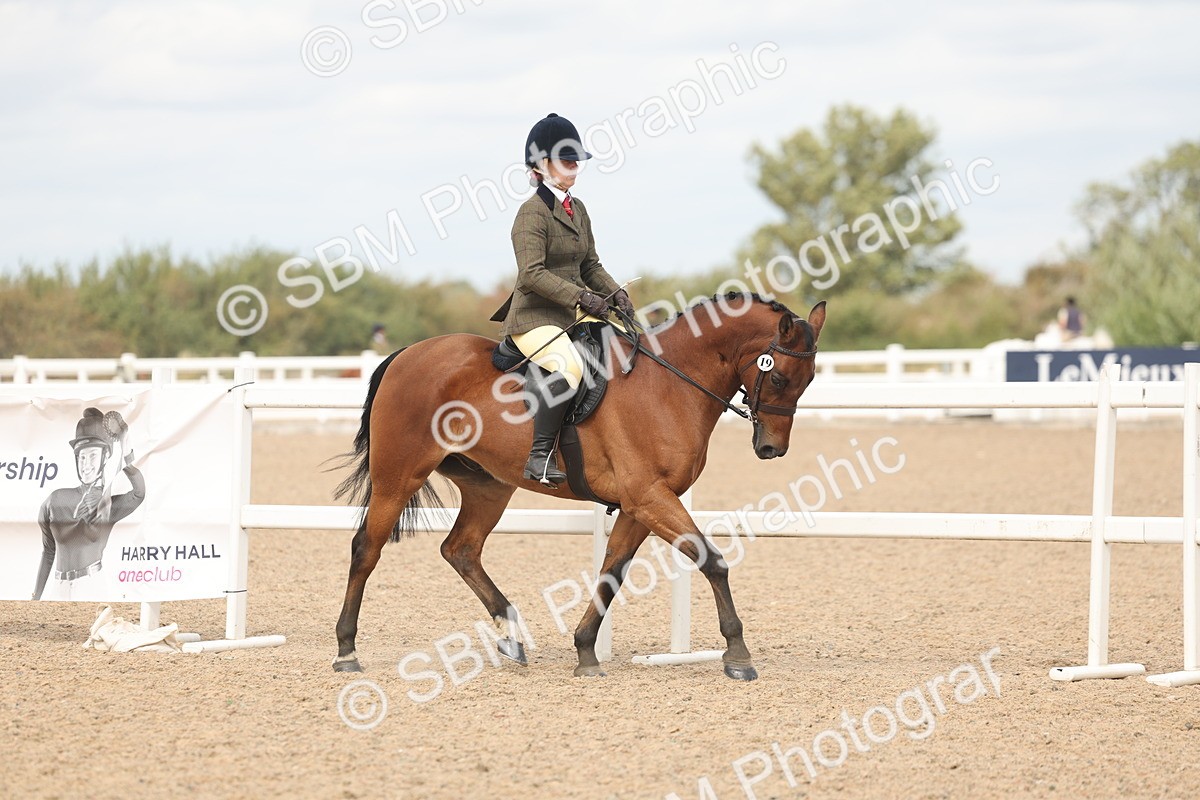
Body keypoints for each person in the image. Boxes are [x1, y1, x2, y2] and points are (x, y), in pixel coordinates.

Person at [489, 112, 634, 486]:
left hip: (572, 314)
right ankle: (539, 457)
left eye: (575, 160)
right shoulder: (531, 213)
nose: (574, 167)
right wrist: (583, 297)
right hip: (534, 318)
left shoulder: (578, 208)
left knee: (624, 346)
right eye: (565, 160)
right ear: (540, 165)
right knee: (569, 368)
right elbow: (532, 274)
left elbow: (590, 264)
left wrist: (615, 293)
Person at [33, 408, 145, 600]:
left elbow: (138, 493)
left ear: (105, 456)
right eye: (81, 457)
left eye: (92, 455)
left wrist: (126, 450)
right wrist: (35, 597)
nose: (86, 465)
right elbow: (49, 551)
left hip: (92, 586)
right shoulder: (54, 500)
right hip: (59, 588)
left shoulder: (108, 505)